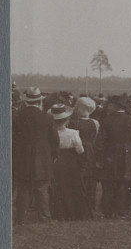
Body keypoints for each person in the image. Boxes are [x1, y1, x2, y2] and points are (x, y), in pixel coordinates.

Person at [12, 87, 55, 223]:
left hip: (22, 157)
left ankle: (21, 218)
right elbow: (54, 139)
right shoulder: (47, 117)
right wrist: (53, 155)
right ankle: (44, 217)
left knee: (23, 188)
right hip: (42, 157)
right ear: (39, 101)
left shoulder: (17, 116)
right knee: (42, 188)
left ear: (26, 101)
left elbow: (14, 138)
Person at [49, 103, 91, 221]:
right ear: (67, 120)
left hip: (56, 160)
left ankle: (60, 213)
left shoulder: (51, 133)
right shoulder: (73, 133)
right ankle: (75, 213)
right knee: (74, 187)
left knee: (59, 187)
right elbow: (80, 149)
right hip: (71, 161)